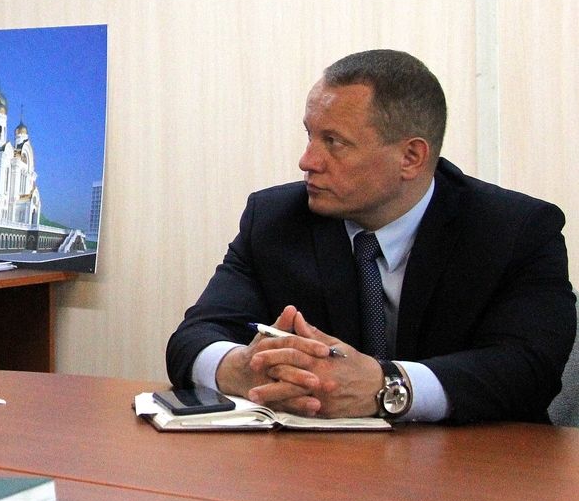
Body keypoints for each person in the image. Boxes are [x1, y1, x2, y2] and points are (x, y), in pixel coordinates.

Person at [166, 49, 574, 424]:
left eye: (334, 142)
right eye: (310, 135)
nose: (307, 160)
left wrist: (388, 386)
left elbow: (531, 370)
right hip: (315, 466)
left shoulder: (515, 230)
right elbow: (192, 339)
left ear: (411, 157)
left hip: (475, 462)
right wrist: (243, 367)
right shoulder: (275, 218)